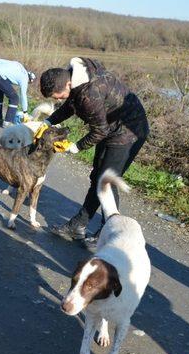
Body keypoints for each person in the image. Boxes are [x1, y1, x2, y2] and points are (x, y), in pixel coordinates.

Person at [39, 57, 150, 243]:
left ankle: (109, 233)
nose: (57, 100)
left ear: (67, 84)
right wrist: (48, 121)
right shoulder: (76, 78)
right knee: (97, 177)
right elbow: (69, 106)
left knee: (107, 180)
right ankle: (78, 225)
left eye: (58, 96)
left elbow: (100, 130)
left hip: (128, 132)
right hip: (111, 128)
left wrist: (76, 146)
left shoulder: (88, 93)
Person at [0, 59, 35, 127]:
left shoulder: (19, 66)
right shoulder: (25, 77)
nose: (28, 83)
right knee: (14, 98)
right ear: (30, 79)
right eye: (29, 82)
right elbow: (23, 95)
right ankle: (8, 122)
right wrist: (25, 111)